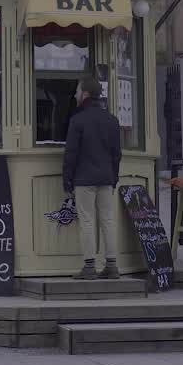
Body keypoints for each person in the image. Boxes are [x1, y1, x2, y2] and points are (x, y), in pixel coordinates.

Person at [62, 75, 122, 280]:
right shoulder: (112, 120)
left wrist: (67, 180)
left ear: (85, 94)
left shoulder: (77, 120)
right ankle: (112, 265)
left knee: (87, 221)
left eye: (78, 90)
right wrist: (114, 178)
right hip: (106, 177)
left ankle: (89, 267)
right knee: (108, 219)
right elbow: (116, 154)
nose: (75, 93)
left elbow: (71, 153)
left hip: (84, 179)